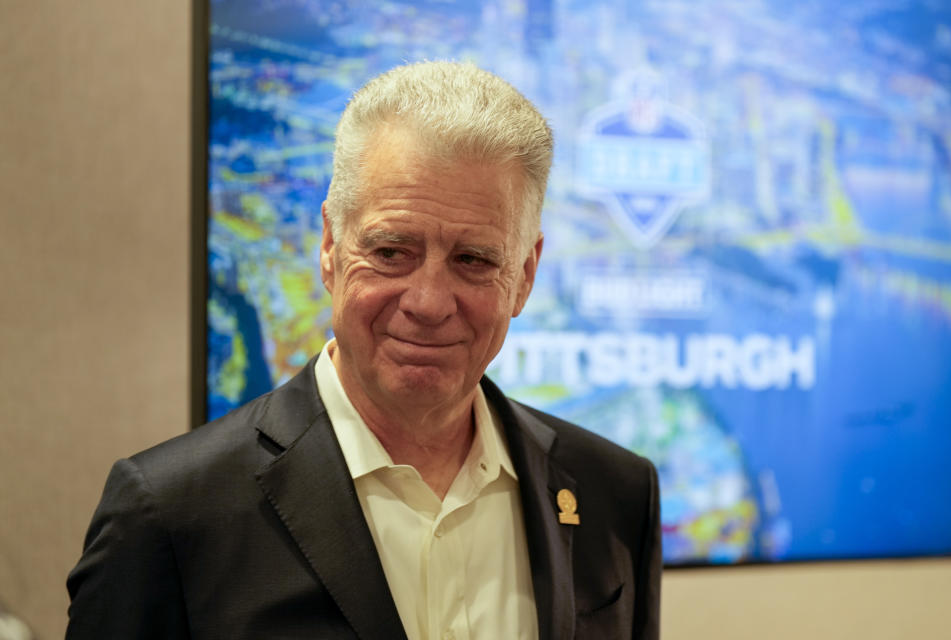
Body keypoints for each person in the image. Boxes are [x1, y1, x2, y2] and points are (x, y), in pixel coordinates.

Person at [66, 61, 661, 639]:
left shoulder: (615, 494)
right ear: (329, 246)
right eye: (391, 251)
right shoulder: (170, 514)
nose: (428, 301)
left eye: (474, 260)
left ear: (525, 275)